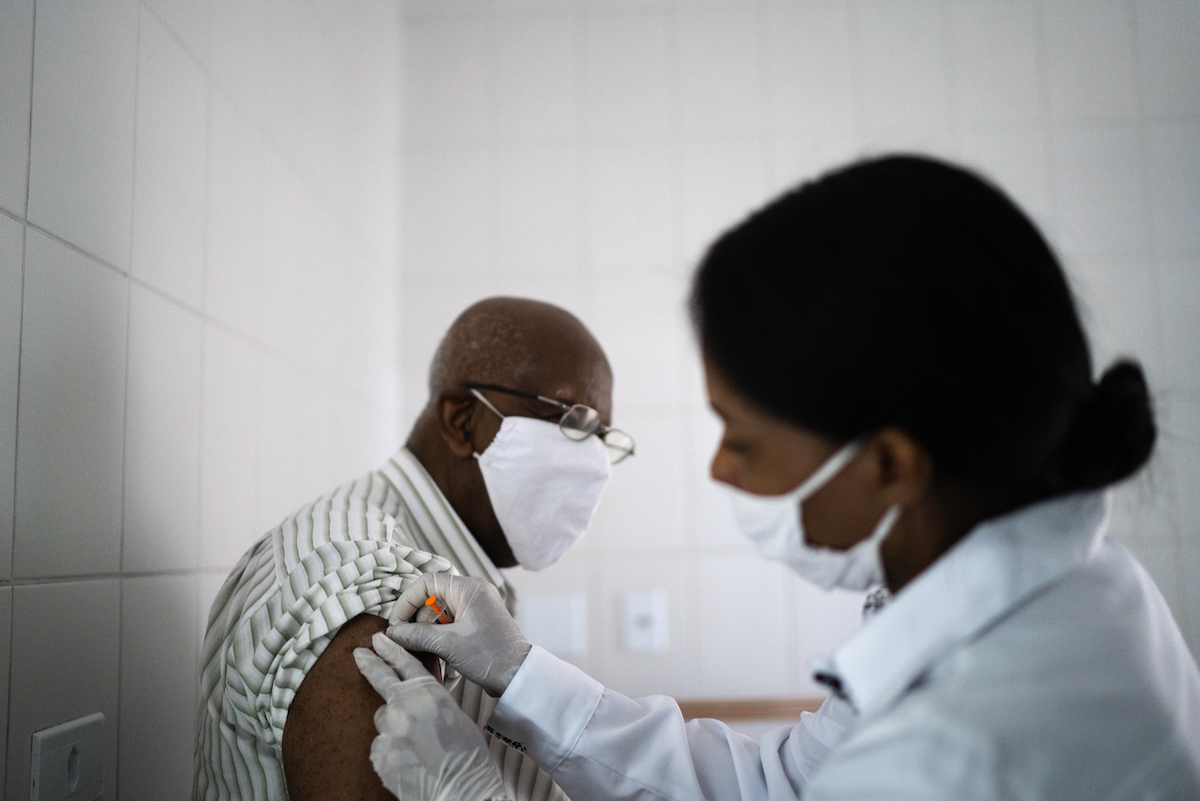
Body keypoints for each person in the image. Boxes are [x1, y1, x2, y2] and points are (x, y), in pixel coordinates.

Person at [355, 155, 1200, 800]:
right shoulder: (1077, 590)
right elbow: (777, 788)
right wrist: (523, 672)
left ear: (889, 463)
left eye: (743, 436)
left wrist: (467, 789)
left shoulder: (961, 753)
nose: (719, 466)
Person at [193, 297, 635, 801]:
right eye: (574, 420)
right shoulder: (364, 578)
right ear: (462, 420)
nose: (596, 462)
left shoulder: (451, 580)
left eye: (603, 434)